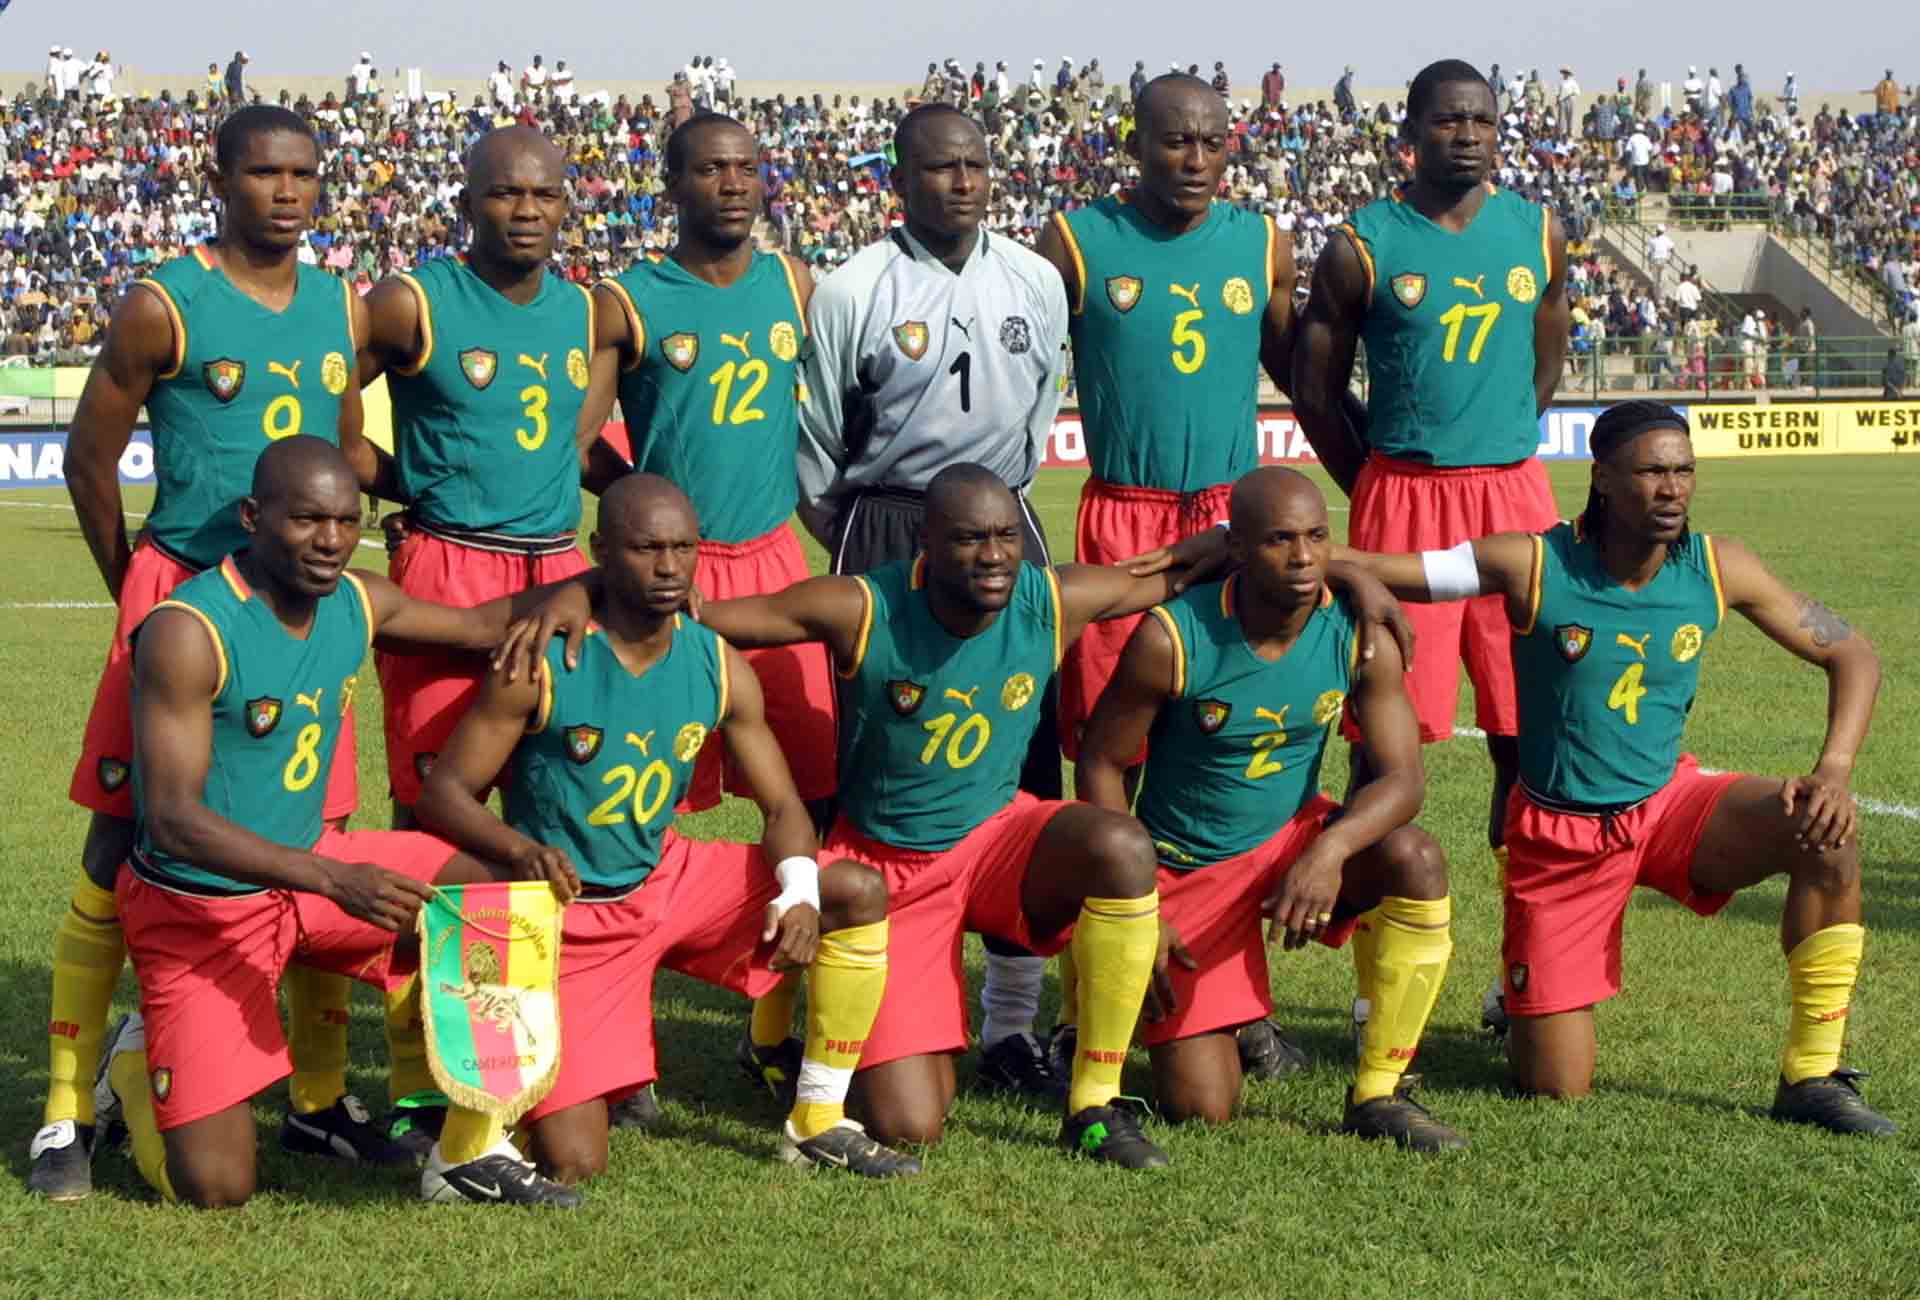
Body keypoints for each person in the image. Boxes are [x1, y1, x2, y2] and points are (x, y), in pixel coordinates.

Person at [693, 464, 1410, 1165]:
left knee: (1120, 845)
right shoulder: (861, 606)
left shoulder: (1052, 597)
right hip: (893, 868)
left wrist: (1345, 573)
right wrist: (598, 594)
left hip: (1001, 837)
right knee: (910, 1121)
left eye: (1008, 535)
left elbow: (1194, 569)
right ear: (927, 544)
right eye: (972, 539)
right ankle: (774, 1036)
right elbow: (712, 618)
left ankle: (1092, 1103)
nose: (996, 556)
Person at [1338, 400, 1895, 1137]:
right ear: (1602, 478)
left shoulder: (1719, 566)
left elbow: (1849, 652)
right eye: (1653, 472)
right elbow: (1391, 570)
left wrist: (1834, 768)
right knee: (1555, 1085)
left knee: (1825, 834)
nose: (1673, 489)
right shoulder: (1533, 561)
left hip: (1669, 806)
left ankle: (1813, 1075)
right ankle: (1520, 1000)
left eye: (1684, 471)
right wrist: (1241, 545)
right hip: (1560, 839)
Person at [91, 435, 598, 1210]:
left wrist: (586, 587)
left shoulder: (357, 599)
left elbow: (478, 625)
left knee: (498, 889)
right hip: (201, 908)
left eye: (344, 520)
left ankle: (466, 1146)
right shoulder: (188, 629)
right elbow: (172, 821)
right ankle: (128, 1067)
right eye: (306, 521)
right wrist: (333, 877)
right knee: (217, 1187)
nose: (330, 541)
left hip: (311, 875)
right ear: (252, 516)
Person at [35, 107, 377, 1202]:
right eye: (266, 173)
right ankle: (61, 1109)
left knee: (316, 828)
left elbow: (334, 442)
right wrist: (141, 591)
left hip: (302, 608)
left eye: (305, 175)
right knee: (115, 841)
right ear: (219, 179)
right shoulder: (162, 301)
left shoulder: (338, 303)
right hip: (185, 591)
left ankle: (319, 1104)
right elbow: (91, 457)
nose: (288, 192)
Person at [417, 474, 920, 1191]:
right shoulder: (545, 658)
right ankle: (475, 1124)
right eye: (646, 548)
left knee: (854, 890)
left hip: (670, 880)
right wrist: (521, 850)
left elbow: (782, 807)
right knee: (576, 1159)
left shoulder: (715, 661)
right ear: (601, 553)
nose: (668, 567)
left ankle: (817, 1121)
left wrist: (799, 890)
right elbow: (445, 793)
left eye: (683, 547)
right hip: (574, 914)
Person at [795, 104, 1074, 1098]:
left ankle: (1008, 1021)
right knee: (865, 763)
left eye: (975, 164)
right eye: (938, 168)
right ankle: (829, 994)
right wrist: (863, 545)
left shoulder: (1036, 281)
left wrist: (999, 516)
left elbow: (1039, 411)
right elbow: (819, 439)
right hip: (884, 523)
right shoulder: (853, 287)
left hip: (1003, 525)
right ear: (899, 181)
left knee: (1025, 759)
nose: (961, 181)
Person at [1034, 73, 1309, 1082]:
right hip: (1128, 519)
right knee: (1112, 758)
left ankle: (1237, 1001)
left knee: (1230, 757)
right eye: (1173, 142)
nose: (1193, 160)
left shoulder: (1261, 241)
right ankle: (1088, 996)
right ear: (1135, 144)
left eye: (1211, 142)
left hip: (1235, 524)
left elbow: (1301, 366)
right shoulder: (1075, 239)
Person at [1292, 58, 1569, 1037]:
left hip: (1514, 499)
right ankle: (1378, 987)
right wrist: (1375, 481)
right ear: (1409, 131)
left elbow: (1548, 351)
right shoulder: (1363, 244)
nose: (1469, 133)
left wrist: (1502, 447)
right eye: (1449, 119)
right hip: (1403, 495)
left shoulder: (1536, 231)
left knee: (1525, 743)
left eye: (1484, 119)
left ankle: (1519, 978)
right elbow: (1317, 389)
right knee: (1385, 750)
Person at [1078, 469, 1463, 1150]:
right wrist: (1143, 906)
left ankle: (1380, 1091)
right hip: (1186, 869)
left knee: (1416, 857)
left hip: (1291, 844)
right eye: (1280, 540)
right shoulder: (1172, 638)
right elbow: (1101, 763)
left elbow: (1404, 780)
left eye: (1317, 537)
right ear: (1238, 548)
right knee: (1204, 1105)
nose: (1304, 558)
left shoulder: (1354, 629)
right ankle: (1097, 985)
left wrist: (1329, 851)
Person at [583, 111, 835, 839]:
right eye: (710, 169)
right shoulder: (628, 297)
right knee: (646, 784)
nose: (732, 185)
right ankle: (635, 933)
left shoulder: (792, 281)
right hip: (669, 568)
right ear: (670, 185)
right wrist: (640, 503)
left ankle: (806, 929)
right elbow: (577, 439)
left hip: (775, 558)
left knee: (809, 774)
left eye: (745, 169)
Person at [348, 125, 596, 829]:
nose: (526, 210)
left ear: (564, 205)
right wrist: (411, 483)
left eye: (544, 194)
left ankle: (540, 945)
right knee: (433, 806)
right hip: (449, 564)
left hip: (560, 569)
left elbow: (578, 440)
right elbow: (328, 412)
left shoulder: (585, 310)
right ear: (465, 204)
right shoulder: (410, 301)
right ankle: (417, 945)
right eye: (505, 193)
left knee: (552, 804)